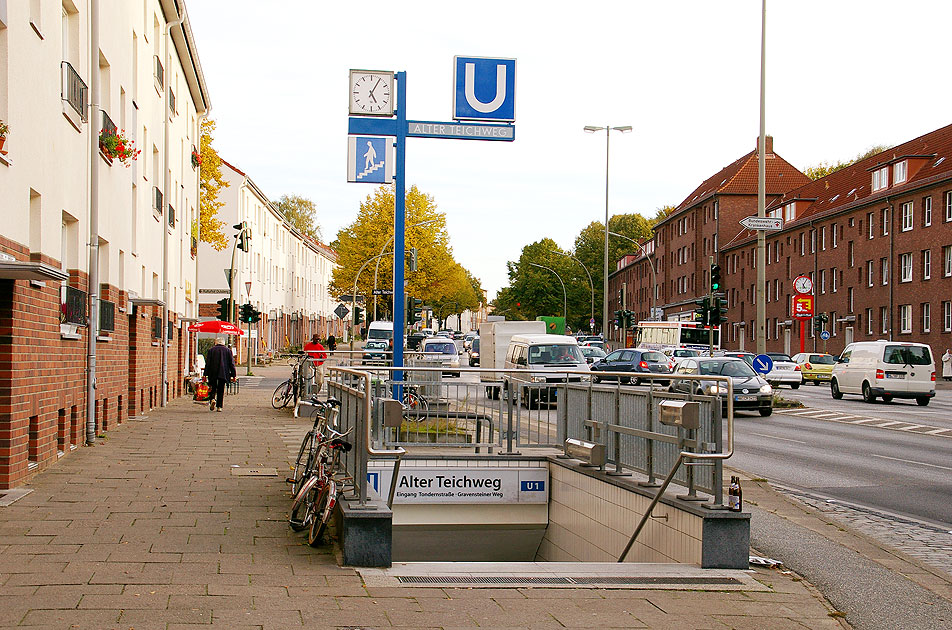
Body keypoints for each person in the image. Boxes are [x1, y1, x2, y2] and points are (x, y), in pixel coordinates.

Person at [204, 337, 236, 412]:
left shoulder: (211, 350)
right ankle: (219, 406)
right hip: (223, 373)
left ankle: (212, 399)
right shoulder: (228, 351)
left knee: (213, 387)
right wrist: (233, 375)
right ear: (223, 343)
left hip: (212, 372)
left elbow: (208, 363)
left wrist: (205, 374)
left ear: (216, 342)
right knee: (221, 389)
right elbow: (231, 364)